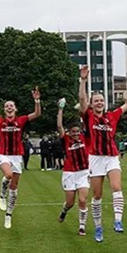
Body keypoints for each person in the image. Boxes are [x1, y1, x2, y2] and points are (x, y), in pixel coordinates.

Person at [78, 65, 127, 242]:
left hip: (112, 157)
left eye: (101, 100)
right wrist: (83, 80)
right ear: (92, 104)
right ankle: (98, 227)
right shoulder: (89, 116)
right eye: (96, 101)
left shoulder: (112, 116)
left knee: (116, 187)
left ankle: (118, 221)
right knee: (97, 195)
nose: (99, 103)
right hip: (95, 158)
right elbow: (82, 99)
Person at [0, 87, 41, 229]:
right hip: (3, 154)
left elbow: (37, 114)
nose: (9, 107)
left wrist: (37, 100)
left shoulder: (21, 120)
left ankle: (8, 215)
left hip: (17, 156)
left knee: (14, 189)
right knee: (8, 174)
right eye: (7, 106)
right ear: (4, 110)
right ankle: (1, 195)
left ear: (15, 109)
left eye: (11, 105)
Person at [56, 99, 90, 235]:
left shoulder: (85, 138)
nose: (76, 134)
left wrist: (84, 109)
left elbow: (88, 121)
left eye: (77, 131)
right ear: (69, 132)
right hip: (69, 173)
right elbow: (59, 126)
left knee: (82, 200)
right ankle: (64, 211)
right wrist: (60, 109)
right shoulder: (66, 140)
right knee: (70, 203)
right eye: (73, 132)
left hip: (84, 172)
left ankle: (82, 226)